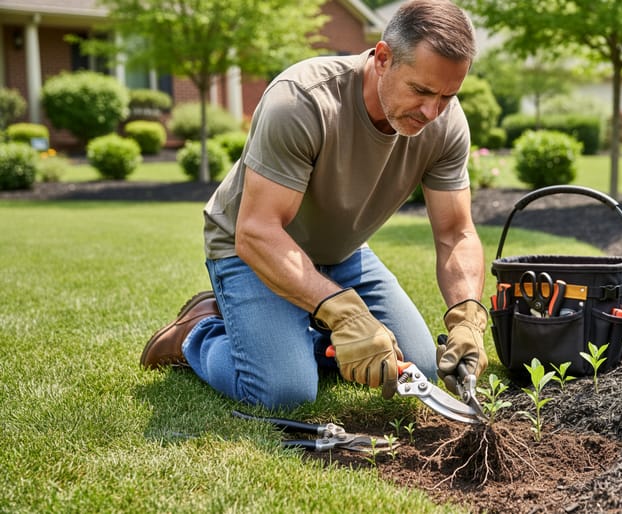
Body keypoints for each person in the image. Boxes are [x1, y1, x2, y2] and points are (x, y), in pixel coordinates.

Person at [140, 0, 488, 410]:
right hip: (252, 248)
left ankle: (302, 330)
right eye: (421, 90)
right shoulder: (302, 100)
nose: (433, 111)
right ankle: (198, 332)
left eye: (448, 95)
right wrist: (344, 315)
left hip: (341, 253)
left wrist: (467, 315)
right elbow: (257, 231)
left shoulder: (446, 124)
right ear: (382, 58)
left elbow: (456, 232)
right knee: (285, 393)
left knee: (420, 368)